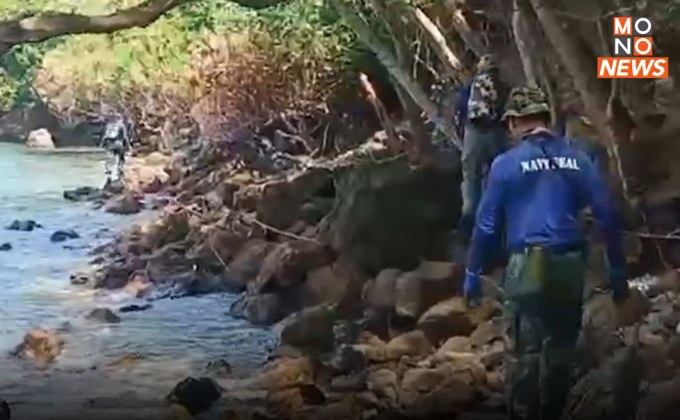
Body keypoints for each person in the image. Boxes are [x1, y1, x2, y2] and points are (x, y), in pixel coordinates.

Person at [462, 86, 629, 420]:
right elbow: (607, 213)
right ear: (545, 119)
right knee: (560, 353)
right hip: (569, 264)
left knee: (525, 354)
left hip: (527, 266)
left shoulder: (505, 165)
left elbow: (487, 226)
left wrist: (472, 273)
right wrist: (617, 268)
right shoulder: (578, 158)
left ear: (512, 123)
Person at [458, 53, 509, 245]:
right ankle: (497, 223)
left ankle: (468, 223)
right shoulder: (502, 85)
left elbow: (461, 113)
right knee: (497, 177)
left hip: (473, 132)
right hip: (495, 132)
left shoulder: (470, 89)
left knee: (471, 178)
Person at [99, 114, 132, 186]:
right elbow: (125, 137)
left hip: (110, 145)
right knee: (121, 159)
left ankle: (109, 173)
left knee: (110, 159)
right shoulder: (121, 126)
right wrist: (129, 146)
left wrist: (101, 144)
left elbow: (105, 136)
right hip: (119, 144)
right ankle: (120, 172)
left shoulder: (109, 126)